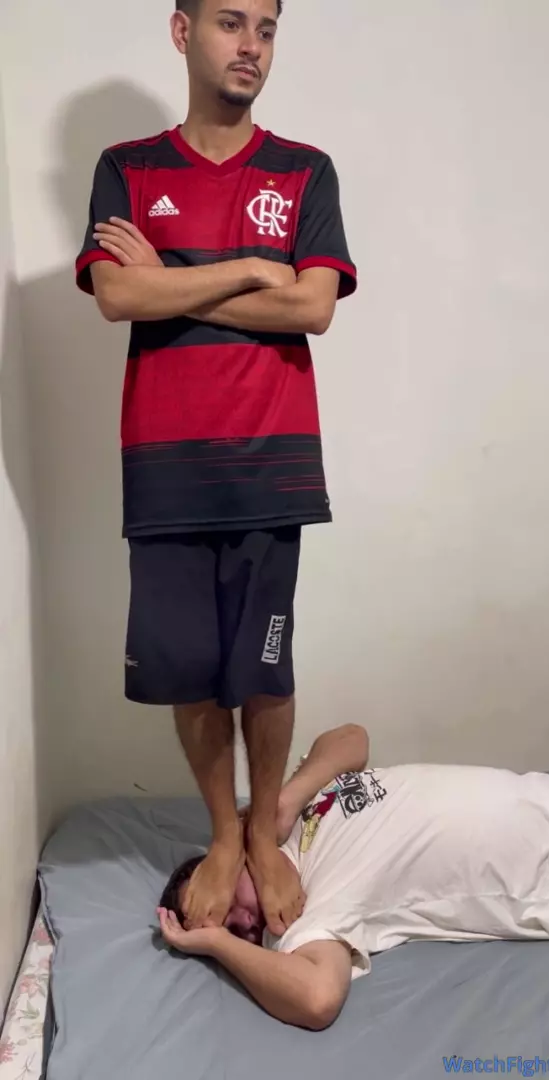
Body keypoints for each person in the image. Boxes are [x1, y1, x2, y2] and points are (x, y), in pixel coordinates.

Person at [74, 0, 357, 938]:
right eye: (232, 23)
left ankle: (264, 834)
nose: (252, 46)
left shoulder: (305, 171)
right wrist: (247, 269)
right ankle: (224, 834)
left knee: (266, 669)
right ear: (181, 31)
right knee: (192, 674)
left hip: (272, 462)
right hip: (165, 467)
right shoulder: (126, 167)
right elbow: (117, 292)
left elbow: (312, 308)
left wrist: (174, 282)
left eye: (267, 28)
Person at [157, 724, 549, 1030]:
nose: (242, 922)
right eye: (233, 931)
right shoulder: (300, 918)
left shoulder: (283, 823)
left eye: (223, 903)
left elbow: (352, 738)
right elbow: (317, 1000)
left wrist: (286, 802)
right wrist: (218, 944)